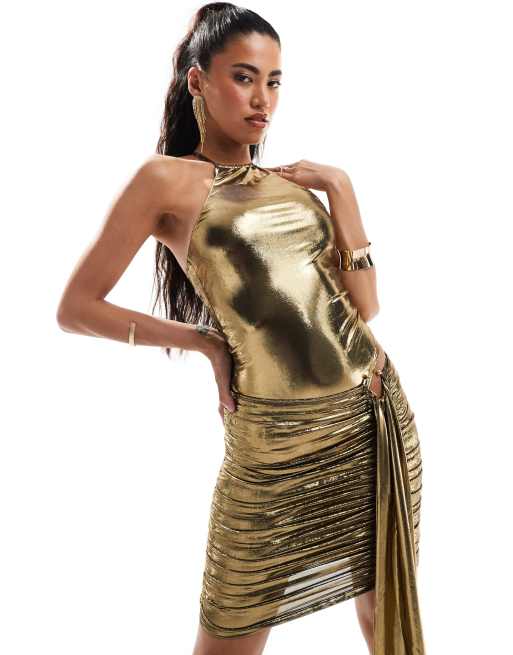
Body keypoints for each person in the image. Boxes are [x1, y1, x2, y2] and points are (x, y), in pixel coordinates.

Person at [56, 3, 425, 654]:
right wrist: (201, 341)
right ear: (198, 81)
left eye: (274, 81)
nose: (263, 100)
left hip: (368, 414)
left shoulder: (295, 187)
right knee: (229, 634)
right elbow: (78, 306)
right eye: (244, 77)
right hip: (269, 438)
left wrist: (340, 189)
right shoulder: (165, 180)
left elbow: (364, 306)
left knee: (384, 617)